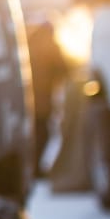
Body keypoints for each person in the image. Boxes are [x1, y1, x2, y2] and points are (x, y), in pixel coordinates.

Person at [26, 17, 66, 177]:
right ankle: (36, 168)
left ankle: (32, 168)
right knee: (43, 134)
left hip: (28, 102)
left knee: (33, 135)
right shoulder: (50, 46)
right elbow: (63, 69)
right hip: (42, 102)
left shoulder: (28, 44)